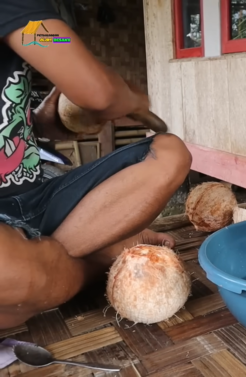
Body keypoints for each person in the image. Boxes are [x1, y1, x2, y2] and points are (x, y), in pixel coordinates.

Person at [0, 1, 192, 329]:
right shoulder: (19, 13)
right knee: (15, 272)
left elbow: (17, 123)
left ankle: (43, 273)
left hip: (36, 198)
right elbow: (100, 92)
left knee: (168, 154)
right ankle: (102, 254)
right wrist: (127, 97)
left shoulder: (26, 27)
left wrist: (47, 119)